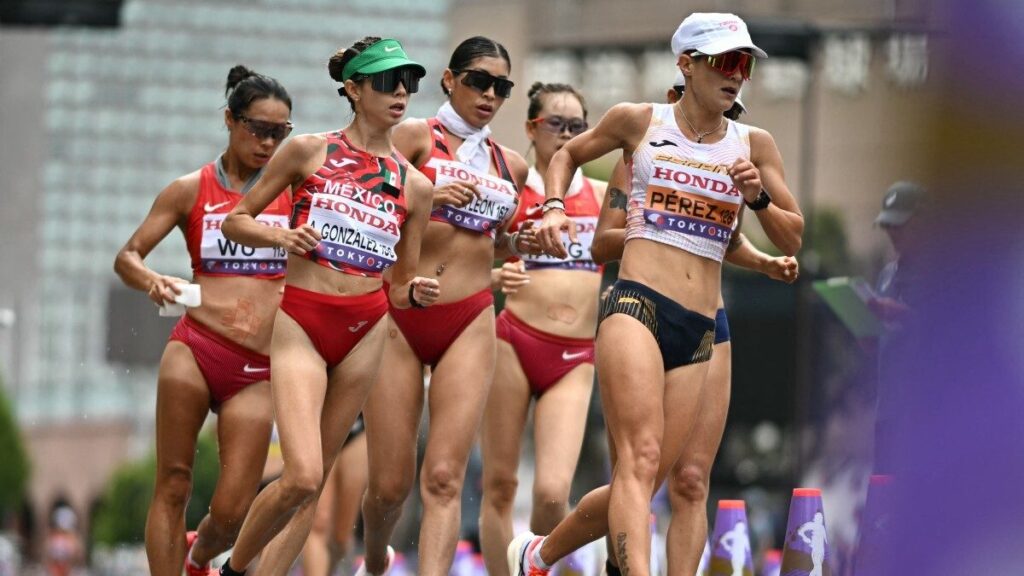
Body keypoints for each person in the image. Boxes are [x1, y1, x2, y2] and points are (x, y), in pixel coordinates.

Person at [510, 13, 804, 575]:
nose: (736, 74)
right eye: (724, 61)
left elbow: (793, 231)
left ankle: (538, 554)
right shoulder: (637, 124)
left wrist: (759, 199)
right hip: (637, 304)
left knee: (671, 479)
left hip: (701, 327)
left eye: (743, 64)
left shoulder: (753, 145)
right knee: (640, 462)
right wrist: (551, 205)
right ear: (686, 65)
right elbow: (567, 156)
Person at [216, 37, 438, 576]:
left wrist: (415, 293)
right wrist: (283, 239)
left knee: (311, 496)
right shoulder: (307, 151)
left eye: (408, 82)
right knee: (302, 477)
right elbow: (235, 220)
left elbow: (401, 283)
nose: (401, 93)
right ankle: (234, 570)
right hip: (302, 322)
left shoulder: (416, 186)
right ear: (354, 89)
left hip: (365, 332)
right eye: (387, 82)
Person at [591, 71, 799, 576]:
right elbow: (602, 244)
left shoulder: (737, 158)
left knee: (690, 478)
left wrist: (765, 262)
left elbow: (724, 239)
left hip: (709, 318)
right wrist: (653, 222)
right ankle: (572, 554)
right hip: (643, 302)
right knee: (641, 465)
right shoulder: (636, 160)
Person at [358, 36, 530, 576]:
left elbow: (500, 239)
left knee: (444, 479)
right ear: (450, 79)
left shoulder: (512, 165)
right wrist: (426, 187)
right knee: (389, 486)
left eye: (501, 87)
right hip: (400, 316)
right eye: (478, 81)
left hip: (470, 316)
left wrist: (531, 241)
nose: (489, 95)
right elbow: (361, 199)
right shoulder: (411, 136)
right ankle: (374, 557)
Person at [113, 66, 293, 576]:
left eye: (281, 133)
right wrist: (149, 278)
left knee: (233, 511)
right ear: (230, 121)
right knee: (173, 483)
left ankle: (198, 557)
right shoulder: (189, 190)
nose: (268, 142)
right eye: (258, 128)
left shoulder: (293, 192)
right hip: (196, 346)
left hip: (258, 366)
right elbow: (126, 256)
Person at [479, 81, 605, 576]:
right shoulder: (512, 190)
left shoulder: (600, 192)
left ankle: (533, 564)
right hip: (512, 339)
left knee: (553, 494)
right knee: (500, 485)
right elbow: (466, 253)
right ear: (532, 127)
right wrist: (494, 269)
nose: (569, 134)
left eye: (578, 126)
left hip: (574, 356)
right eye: (558, 123)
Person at [867, 181, 925, 475]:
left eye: (900, 225)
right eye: (888, 226)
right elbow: (878, 344)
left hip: (928, 413)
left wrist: (901, 314)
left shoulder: (944, 272)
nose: (893, 233)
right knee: (884, 499)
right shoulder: (888, 275)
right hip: (889, 410)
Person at [300, 416, 369, 576]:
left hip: (361, 421)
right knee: (319, 521)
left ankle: (330, 571)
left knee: (341, 537)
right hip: (321, 417)